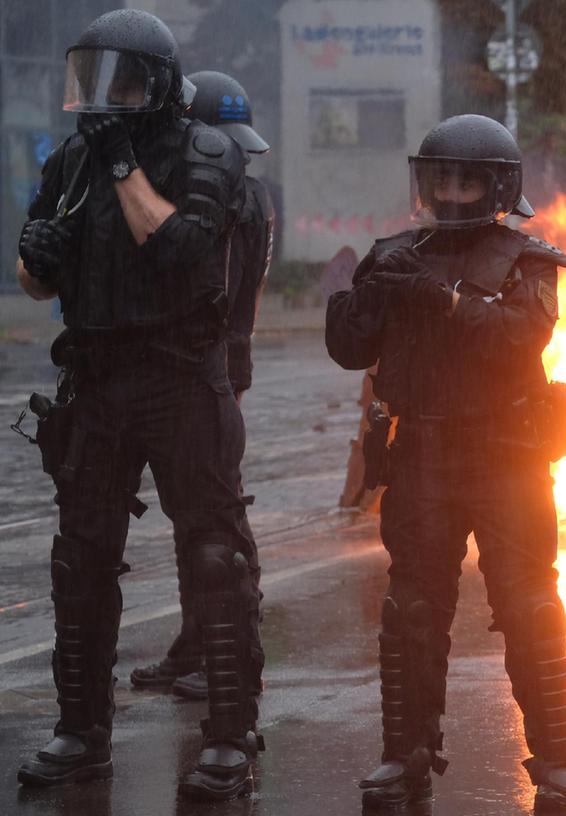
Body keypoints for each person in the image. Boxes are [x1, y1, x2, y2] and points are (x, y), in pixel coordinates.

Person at [13, 9, 260, 799]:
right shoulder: (75, 161)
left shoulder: (206, 153)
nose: (102, 95)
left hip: (181, 378)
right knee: (79, 561)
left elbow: (184, 250)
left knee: (213, 556)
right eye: (92, 77)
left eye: (120, 78)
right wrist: (36, 263)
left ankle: (227, 738)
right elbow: (37, 278)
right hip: (98, 380)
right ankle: (80, 730)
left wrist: (124, 168)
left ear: (154, 82)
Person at [325, 114, 566, 813]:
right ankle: (404, 752)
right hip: (423, 457)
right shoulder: (396, 252)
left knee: (529, 606)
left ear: (498, 184)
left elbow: (516, 339)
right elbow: (351, 348)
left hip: (507, 459)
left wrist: (439, 298)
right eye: (440, 176)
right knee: (412, 608)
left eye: (466, 177)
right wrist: (366, 292)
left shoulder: (527, 260)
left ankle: (559, 757)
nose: (450, 190)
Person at [129, 69, 274, 702]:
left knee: (214, 528)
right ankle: (196, 649)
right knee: (204, 521)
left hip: (203, 370)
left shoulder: (227, 199)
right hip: (222, 366)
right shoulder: (256, 195)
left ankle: (218, 658)